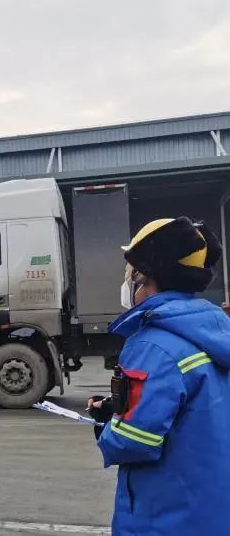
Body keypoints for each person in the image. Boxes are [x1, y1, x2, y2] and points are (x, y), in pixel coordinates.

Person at [87, 217, 230, 535]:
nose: (128, 282)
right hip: (212, 511)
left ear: (146, 278)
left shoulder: (152, 346)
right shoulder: (216, 331)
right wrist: (117, 408)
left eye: (131, 274)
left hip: (164, 517)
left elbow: (133, 441)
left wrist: (108, 427)